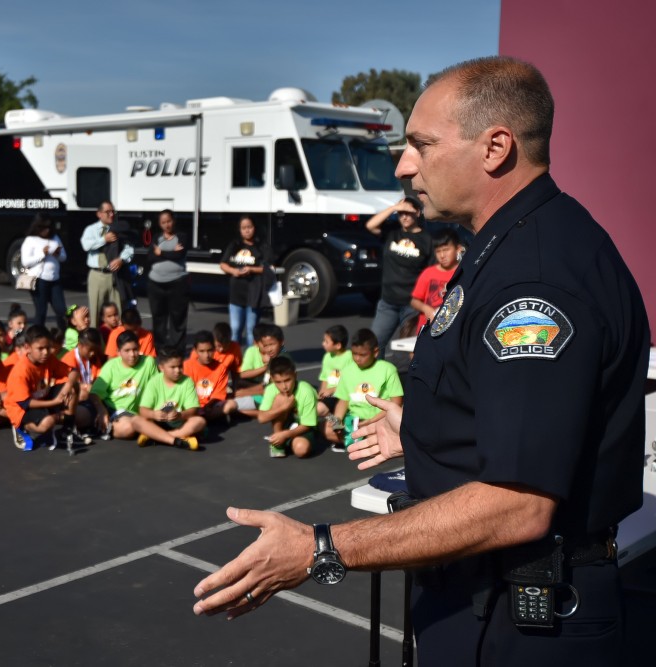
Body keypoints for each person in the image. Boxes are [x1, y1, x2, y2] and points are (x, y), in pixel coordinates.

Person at [191, 57, 650, 667]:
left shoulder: (533, 283)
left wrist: (320, 548)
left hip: (519, 622)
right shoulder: (510, 245)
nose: (405, 165)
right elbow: (524, 424)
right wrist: (424, 433)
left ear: (495, 147)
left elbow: (518, 502)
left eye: (421, 144)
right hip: (484, 598)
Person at [365, 195, 432, 355]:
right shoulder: (391, 233)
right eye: (400, 214)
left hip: (412, 305)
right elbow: (370, 225)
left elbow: (430, 274)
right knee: (374, 345)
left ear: (417, 213)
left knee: (412, 350)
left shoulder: (426, 240)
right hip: (388, 303)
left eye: (407, 213)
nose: (404, 217)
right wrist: (394, 208)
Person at [3, 325, 80, 449]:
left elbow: (73, 371)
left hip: (42, 397)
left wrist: (66, 388)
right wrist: (54, 402)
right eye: (40, 348)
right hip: (21, 408)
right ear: (27, 348)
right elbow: (26, 403)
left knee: (74, 386)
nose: (45, 352)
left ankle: (68, 430)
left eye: (48, 347)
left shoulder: (48, 359)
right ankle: (20, 426)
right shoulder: (21, 371)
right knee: (47, 423)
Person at [326, 329, 403, 451]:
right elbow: (343, 401)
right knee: (328, 430)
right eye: (354, 353)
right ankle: (360, 440)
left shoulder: (388, 369)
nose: (357, 358)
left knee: (374, 433)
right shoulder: (347, 371)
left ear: (375, 352)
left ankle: (362, 440)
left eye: (362, 355)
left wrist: (372, 421)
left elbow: (396, 403)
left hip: (379, 418)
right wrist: (338, 422)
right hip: (355, 420)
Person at [88, 330, 158, 440]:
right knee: (80, 415)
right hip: (107, 406)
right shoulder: (111, 366)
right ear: (118, 352)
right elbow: (94, 393)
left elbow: (157, 389)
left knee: (128, 428)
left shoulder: (148, 363)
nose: (132, 354)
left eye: (135, 349)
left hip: (127, 414)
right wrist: (101, 410)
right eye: (127, 350)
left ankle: (104, 428)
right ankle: (101, 425)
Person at [131, 346, 204, 450]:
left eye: (180, 366)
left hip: (178, 424)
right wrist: (153, 414)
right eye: (173, 367)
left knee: (199, 421)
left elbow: (193, 409)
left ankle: (156, 437)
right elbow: (143, 410)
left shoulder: (187, 381)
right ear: (161, 367)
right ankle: (176, 440)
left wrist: (180, 415)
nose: (178, 370)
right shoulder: (154, 382)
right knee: (135, 420)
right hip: (157, 423)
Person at [219, 216, 269, 348]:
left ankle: (250, 361)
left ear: (254, 228)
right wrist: (233, 271)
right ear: (239, 230)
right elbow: (223, 264)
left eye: (249, 227)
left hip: (254, 293)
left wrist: (252, 269)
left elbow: (268, 268)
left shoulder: (262, 246)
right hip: (236, 293)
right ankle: (235, 360)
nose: (247, 231)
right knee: (235, 328)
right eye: (244, 228)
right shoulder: (235, 245)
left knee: (252, 329)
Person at [81, 201, 133, 327]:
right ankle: (96, 342)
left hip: (115, 275)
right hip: (97, 275)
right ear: (99, 214)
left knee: (118, 311)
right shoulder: (91, 229)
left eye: (113, 211)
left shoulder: (119, 229)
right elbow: (86, 245)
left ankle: (118, 341)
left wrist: (121, 259)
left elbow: (129, 249)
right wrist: (104, 239)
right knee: (95, 311)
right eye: (108, 212)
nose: (111, 214)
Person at [256, 356, 317, 458]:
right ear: (272, 379)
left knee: (301, 449)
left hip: (303, 428)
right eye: (278, 382)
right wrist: (284, 408)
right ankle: (278, 446)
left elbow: (307, 425)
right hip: (284, 425)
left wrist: (285, 435)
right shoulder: (270, 390)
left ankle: (285, 440)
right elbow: (261, 418)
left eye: (287, 380)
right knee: (280, 398)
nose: (284, 386)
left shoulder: (306, 391)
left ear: (295, 375)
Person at [147, 209, 189, 351]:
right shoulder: (157, 238)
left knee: (178, 318)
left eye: (169, 221)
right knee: (159, 317)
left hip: (177, 283)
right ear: (160, 224)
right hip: (155, 284)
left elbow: (180, 255)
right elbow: (150, 257)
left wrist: (161, 252)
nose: (167, 225)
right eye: (163, 222)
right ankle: (159, 348)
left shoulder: (182, 236)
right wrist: (170, 253)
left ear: (174, 221)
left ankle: (177, 349)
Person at [410, 229, 463, 334]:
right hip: (427, 330)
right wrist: (426, 309)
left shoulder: (463, 273)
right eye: (438, 251)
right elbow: (414, 300)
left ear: (458, 249)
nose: (442, 255)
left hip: (452, 331)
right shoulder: (429, 273)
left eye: (446, 249)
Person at [20, 213, 68, 329]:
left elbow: (64, 257)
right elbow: (25, 262)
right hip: (39, 280)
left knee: (62, 310)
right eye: (44, 228)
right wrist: (42, 254)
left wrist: (57, 254)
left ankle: (64, 336)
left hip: (55, 279)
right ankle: (38, 336)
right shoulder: (30, 240)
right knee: (41, 311)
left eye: (49, 228)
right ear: (38, 228)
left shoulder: (55, 238)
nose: (47, 231)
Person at [183, 331, 237, 423]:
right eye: (202, 351)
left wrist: (208, 406)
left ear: (214, 349)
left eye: (210, 350)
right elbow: (183, 393)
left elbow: (218, 395)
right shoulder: (187, 365)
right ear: (195, 351)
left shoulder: (221, 368)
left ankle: (199, 420)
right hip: (192, 406)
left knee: (232, 404)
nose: (206, 355)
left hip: (210, 407)